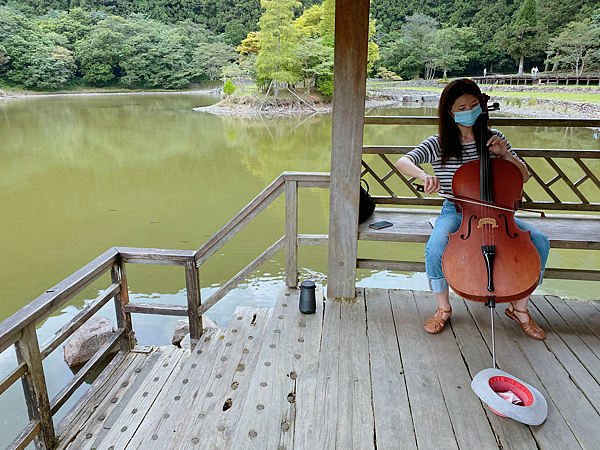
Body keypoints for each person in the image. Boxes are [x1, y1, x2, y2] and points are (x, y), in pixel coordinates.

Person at [394, 79, 550, 339]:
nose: (470, 110)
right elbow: (404, 161)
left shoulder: (494, 140)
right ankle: (443, 309)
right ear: (450, 111)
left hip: (499, 215)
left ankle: (519, 308)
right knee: (434, 250)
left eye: (475, 105)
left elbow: (523, 176)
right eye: (462, 106)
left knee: (540, 242)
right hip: (457, 212)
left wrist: (506, 155)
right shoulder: (439, 142)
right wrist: (423, 176)